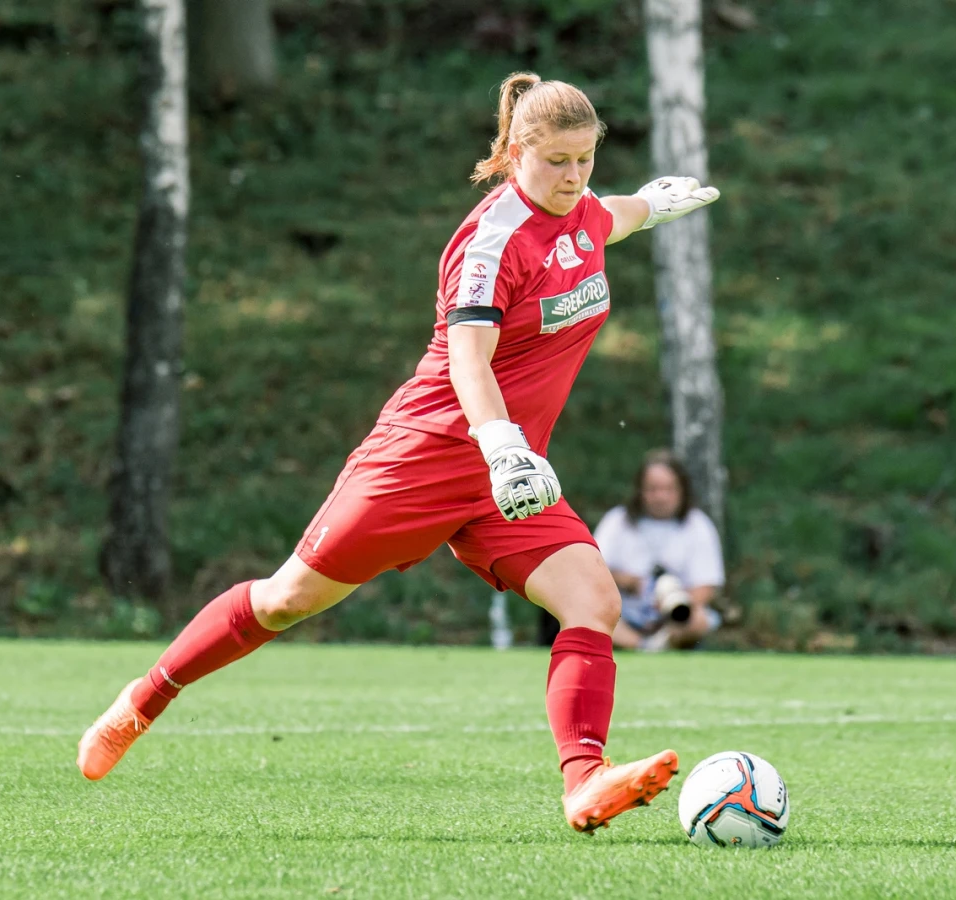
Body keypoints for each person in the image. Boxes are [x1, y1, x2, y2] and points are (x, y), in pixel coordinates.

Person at [76, 72, 720, 835]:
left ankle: (585, 781)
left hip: (505, 478)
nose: (574, 176)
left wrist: (654, 203)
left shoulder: (582, 211)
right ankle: (142, 700)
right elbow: (468, 360)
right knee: (287, 600)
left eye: (586, 159)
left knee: (594, 603)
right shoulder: (491, 242)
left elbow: (611, 218)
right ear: (518, 150)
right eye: (557, 161)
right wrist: (503, 446)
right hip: (428, 455)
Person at [594, 450, 725, 651]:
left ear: (682, 491)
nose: (661, 497)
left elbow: (707, 585)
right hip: (624, 612)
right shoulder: (617, 521)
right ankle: (641, 645)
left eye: (668, 489)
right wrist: (629, 582)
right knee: (591, 610)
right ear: (640, 490)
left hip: (673, 616)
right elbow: (592, 569)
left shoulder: (697, 524)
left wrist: (675, 600)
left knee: (698, 618)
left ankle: (665, 642)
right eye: (653, 489)